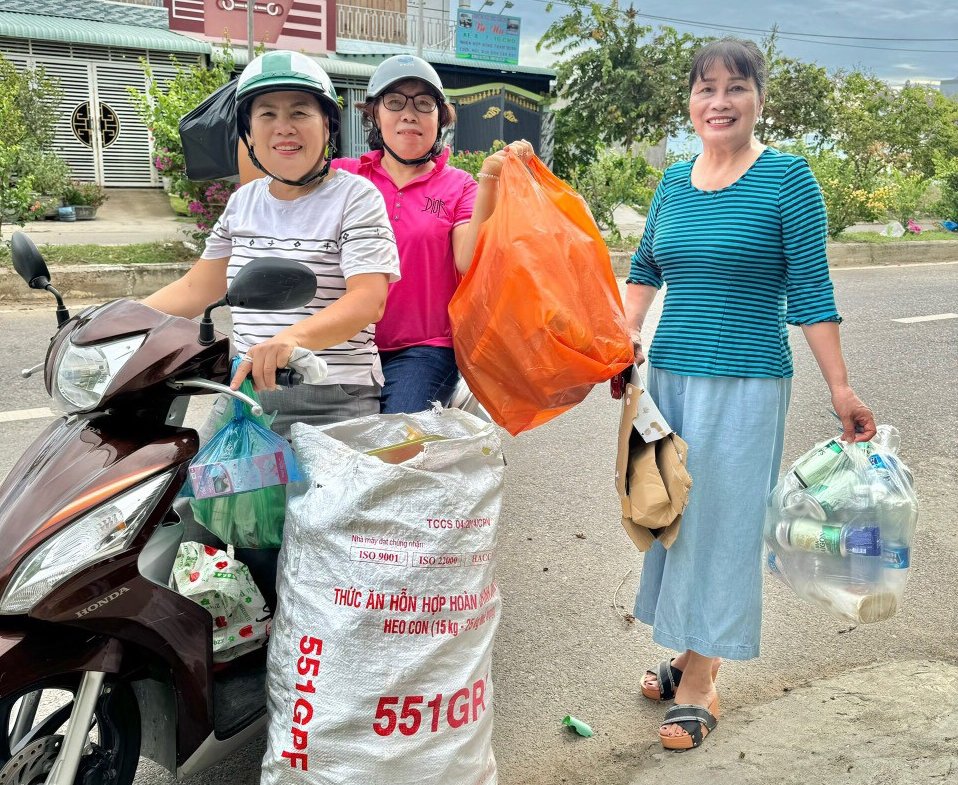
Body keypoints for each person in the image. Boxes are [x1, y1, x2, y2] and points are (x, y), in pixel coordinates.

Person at [624, 38, 877, 751]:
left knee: (725, 522)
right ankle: (683, 649)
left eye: (736, 88)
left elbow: (813, 293)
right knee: (670, 513)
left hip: (747, 379)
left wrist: (841, 387)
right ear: (691, 102)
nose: (720, 103)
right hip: (668, 376)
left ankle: (702, 674)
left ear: (759, 98)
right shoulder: (674, 181)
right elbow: (645, 266)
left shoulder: (788, 180)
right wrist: (629, 330)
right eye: (706, 90)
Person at [143, 50, 400, 609]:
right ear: (249, 133)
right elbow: (197, 288)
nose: (284, 127)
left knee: (308, 547)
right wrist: (120, 322)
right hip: (244, 399)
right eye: (267, 114)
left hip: (333, 399)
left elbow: (367, 299)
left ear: (328, 125)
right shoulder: (243, 203)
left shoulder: (357, 198)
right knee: (197, 517)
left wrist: (293, 339)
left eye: (300, 111)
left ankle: (307, 661)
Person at [332, 54, 533, 414]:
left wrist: (489, 178)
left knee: (396, 444)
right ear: (375, 114)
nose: (410, 113)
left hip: (424, 347)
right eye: (395, 102)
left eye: (424, 104)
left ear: (440, 118)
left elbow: (467, 260)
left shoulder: (459, 186)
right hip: (343, 342)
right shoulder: (344, 176)